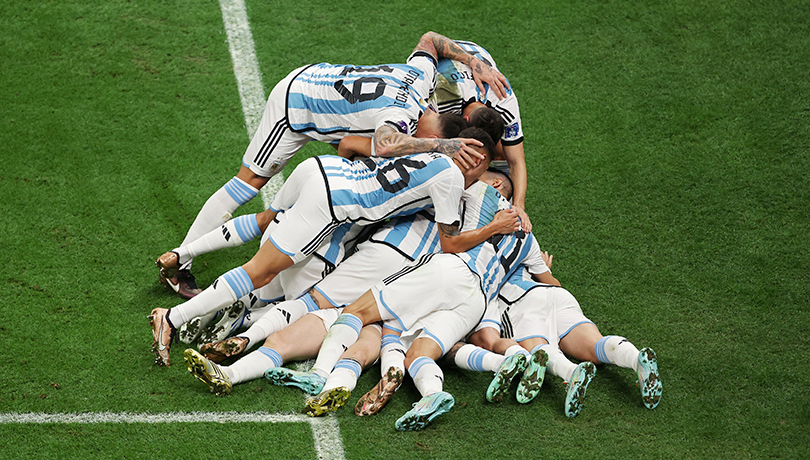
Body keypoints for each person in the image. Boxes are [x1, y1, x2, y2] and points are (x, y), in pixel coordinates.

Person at [159, 31, 509, 298]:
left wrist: (474, 63)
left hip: (322, 83)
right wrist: (440, 145)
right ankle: (180, 266)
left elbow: (431, 40)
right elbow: (388, 143)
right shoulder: (400, 117)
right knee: (247, 183)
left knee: (324, 177)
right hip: (295, 107)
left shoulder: (420, 79)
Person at [149, 128, 496, 366]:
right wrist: (495, 226)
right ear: (476, 159)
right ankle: (173, 318)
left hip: (320, 169)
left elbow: (362, 144)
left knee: (264, 219)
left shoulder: (427, 147)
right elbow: (449, 243)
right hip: (331, 205)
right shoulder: (451, 179)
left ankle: (183, 254)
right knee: (261, 272)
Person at [295, 171, 558, 430]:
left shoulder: (481, 191)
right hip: (475, 304)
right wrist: (544, 268)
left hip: (452, 270)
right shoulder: (529, 240)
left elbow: (435, 180)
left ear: (496, 182)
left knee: (358, 311)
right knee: (418, 354)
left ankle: (324, 379)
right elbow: (553, 285)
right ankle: (436, 392)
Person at [496, 265, 663, 416]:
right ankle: (635, 358)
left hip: (518, 302)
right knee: (595, 347)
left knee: (537, 348)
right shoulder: (520, 238)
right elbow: (552, 280)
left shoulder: (474, 258)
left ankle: (571, 372)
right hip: (554, 294)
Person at [431, 39, 533, 232]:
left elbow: (516, 161)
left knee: (503, 152)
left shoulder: (505, 101)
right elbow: (433, 41)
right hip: (445, 60)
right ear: (464, 120)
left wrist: (519, 205)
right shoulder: (441, 99)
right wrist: (473, 62)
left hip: (474, 65)